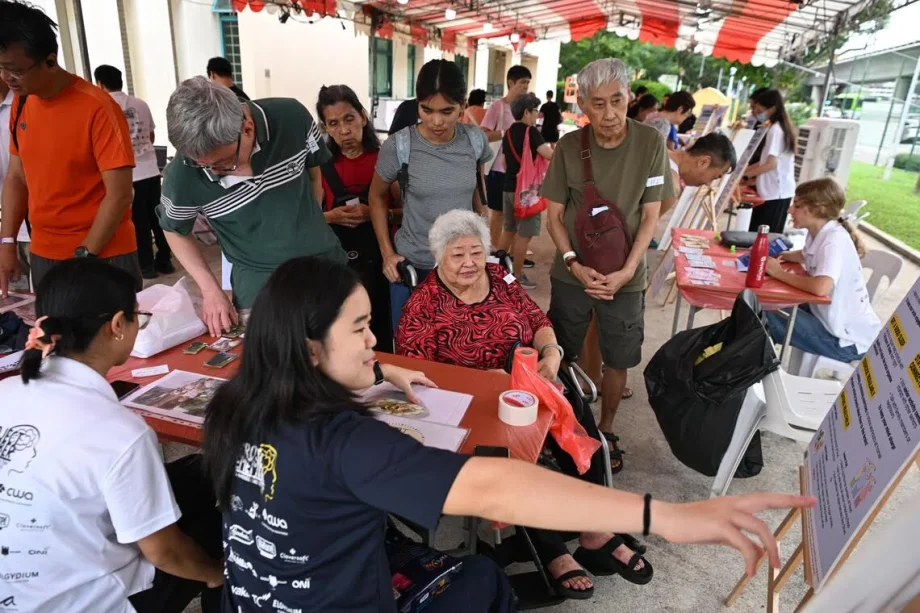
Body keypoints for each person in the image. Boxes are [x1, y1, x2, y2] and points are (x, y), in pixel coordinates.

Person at [202, 253, 815, 611]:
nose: (373, 340)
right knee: (482, 580)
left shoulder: (237, 401)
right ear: (310, 349)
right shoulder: (344, 439)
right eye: (362, 329)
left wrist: (381, 367)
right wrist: (668, 516)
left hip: (254, 597)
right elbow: (495, 489)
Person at [396, 210, 654, 597]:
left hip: (524, 383)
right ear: (438, 256)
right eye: (457, 255)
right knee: (521, 449)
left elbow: (536, 319)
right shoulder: (424, 305)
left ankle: (595, 527)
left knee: (577, 420)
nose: (469, 263)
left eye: (476, 252)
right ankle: (551, 548)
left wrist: (550, 353)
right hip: (471, 406)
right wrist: (485, 384)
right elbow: (421, 379)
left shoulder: (500, 278)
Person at [0, 258, 223, 612]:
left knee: (204, 470)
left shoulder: (8, 389)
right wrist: (214, 572)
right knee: (223, 525)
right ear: (118, 325)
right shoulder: (120, 433)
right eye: (140, 316)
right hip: (86, 600)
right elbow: (164, 553)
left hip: (18, 585)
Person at [542, 58, 673, 455]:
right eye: (597, 103)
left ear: (630, 97)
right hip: (573, 274)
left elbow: (652, 213)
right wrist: (573, 263)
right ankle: (563, 421)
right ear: (582, 104)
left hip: (626, 277)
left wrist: (627, 271)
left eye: (617, 100)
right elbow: (554, 216)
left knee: (619, 356)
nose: (610, 113)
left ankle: (607, 427)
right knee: (559, 348)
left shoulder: (650, 142)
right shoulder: (568, 147)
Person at [157, 77, 346, 336]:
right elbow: (174, 230)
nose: (215, 172)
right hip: (260, 288)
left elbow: (314, 174)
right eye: (203, 165)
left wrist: (304, 226)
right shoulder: (183, 174)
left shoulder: (291, 117)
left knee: (342, 358)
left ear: (246, 129)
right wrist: (210, 289)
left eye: (223, 162)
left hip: (326, 269)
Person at [0, 1, 142, 296]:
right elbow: (16, 177)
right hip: (45, 252)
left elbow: (119, 195)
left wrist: (84, 256)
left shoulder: (98, 107)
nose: (7, 79)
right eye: (1, 69)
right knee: (55, 340)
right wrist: (7, 242)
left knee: (110, 337)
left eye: (16, 71)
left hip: (102, 254)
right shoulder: (22, 103)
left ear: (50, 61)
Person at [369, 59, 491, 332]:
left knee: (461, 347)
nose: (436, 121)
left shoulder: (474, 140)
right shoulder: (399, 146)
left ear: (462, 104)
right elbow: (376, 198)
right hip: (414, 267)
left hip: (463, 267)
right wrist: (388, 254)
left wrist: (484, 243)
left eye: (447, 111)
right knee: (412, 350)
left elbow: (477, 194)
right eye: (427, 110)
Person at [764, 178, 881, 363]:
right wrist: (782, 255)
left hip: (845, 341)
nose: (789, 210)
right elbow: (804, 255)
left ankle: (747, 369)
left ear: (819, 209)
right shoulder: (821, 232)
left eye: (797, 205)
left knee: (765, 314)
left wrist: (778, 273)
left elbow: (821, 287)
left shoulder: (833, 241)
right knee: (767, 301)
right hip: (828, 319)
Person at [316, 84, 396, 350]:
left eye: (349, 119)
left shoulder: (386, 158)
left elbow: (407, 211)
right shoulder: (321, 166)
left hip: (380, 263)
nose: (344, 130)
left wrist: (376, 212)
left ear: (362, 116)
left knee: (380, 331)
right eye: (334, 123)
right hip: (337, 267)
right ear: (326, 128)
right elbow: (311, 218)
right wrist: (331, 217)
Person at [94, 64, 174, 280]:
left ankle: (147, 266)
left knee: (139, 222)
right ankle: (166, 260)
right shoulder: (140, 104)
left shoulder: (103, 106)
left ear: (100, 84)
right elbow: (151, 136)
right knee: (157, 217)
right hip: (150, 168)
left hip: (129, 174)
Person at [497, 93, 554, 289]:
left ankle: (497, 271)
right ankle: (517, 276)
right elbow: (547, 154)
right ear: (526, 112)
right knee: (524, 234)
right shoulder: (532, 133)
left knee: (509, 229)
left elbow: (505, 162)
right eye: (535, 111)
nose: (537, 115)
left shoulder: (509, 132)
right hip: (526, 193)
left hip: (508, 188)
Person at [481, 65, 532, 247]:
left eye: (527, 83)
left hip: (520, 171)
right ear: (510, 83)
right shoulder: (498, 107)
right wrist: (506, 133)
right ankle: (495, 254)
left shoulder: (527, 109)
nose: (525, 87)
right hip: (499, 170)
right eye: (522, 83)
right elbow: (483, 135)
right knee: (498, 214)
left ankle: (510, 254)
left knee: (517, 215)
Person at [743, 88, 797, 233]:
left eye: (759, 110)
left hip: (776, 193)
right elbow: (764, 162)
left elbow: (771, 164)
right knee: (758, 234)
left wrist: (745, 175)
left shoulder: (776, 130)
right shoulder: (776, 127)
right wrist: (743, 171)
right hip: (774, 191)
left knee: (764, 238)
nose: (756, 113)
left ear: (772, 109)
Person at [661, 132, 737, 217]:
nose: (708, 184)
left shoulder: (654, 143)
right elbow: (646, 227)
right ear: (703, 162)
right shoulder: (671, 187)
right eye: (714, 177)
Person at [0, 74, 29, 290]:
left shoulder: (25, 102)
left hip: (33, 228)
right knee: (15, 303)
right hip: (7, 231)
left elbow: (17, 175)